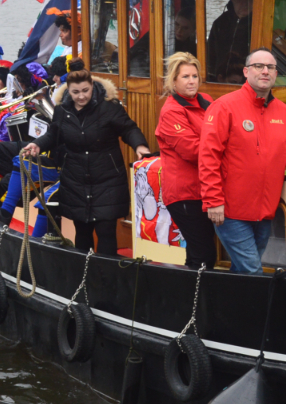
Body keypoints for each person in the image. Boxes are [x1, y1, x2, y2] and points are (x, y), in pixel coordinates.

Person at [198, 49, 286, 274]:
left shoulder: (285, 113)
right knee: (253, 272)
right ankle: (261, 310)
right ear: (246, 72)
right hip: (230, 211)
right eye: (258, 66)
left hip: (265, 212)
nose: (265, 71)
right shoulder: (224, 106)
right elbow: (208, 156)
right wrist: (213, 200)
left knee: (242, 272)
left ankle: (232, 309)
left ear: (276, 74)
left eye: (271, 67)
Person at [24, 69, 150, 256]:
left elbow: (128, 129)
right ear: (69, 91)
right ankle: (84, 277)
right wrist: (37, 144)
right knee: (82, 231)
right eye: (76, 92)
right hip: (76, 178)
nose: (81, 96)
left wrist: (139, 146)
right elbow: (53, 135)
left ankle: (107, 279)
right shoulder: (62, 110)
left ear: (92, 87)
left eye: (85, 90)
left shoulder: (110, 107)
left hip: (108, 178)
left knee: (106, 231)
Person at [155, 52, 217, 270]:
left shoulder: (207, 101)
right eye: (185, 77)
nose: (192, 81)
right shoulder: (171, 111)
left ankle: (190, 300)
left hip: (205, 189)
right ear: (173, 81)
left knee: (197, 252)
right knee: (204, 255)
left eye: (194, 76)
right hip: (185, 194)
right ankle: (198, 301)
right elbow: (193, 151)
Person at [206, 0, 253, 84]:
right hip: (221, 80)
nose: (245, 3)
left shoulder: (259, 22)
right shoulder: (220, 23)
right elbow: (211, 55)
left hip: (250, 81)